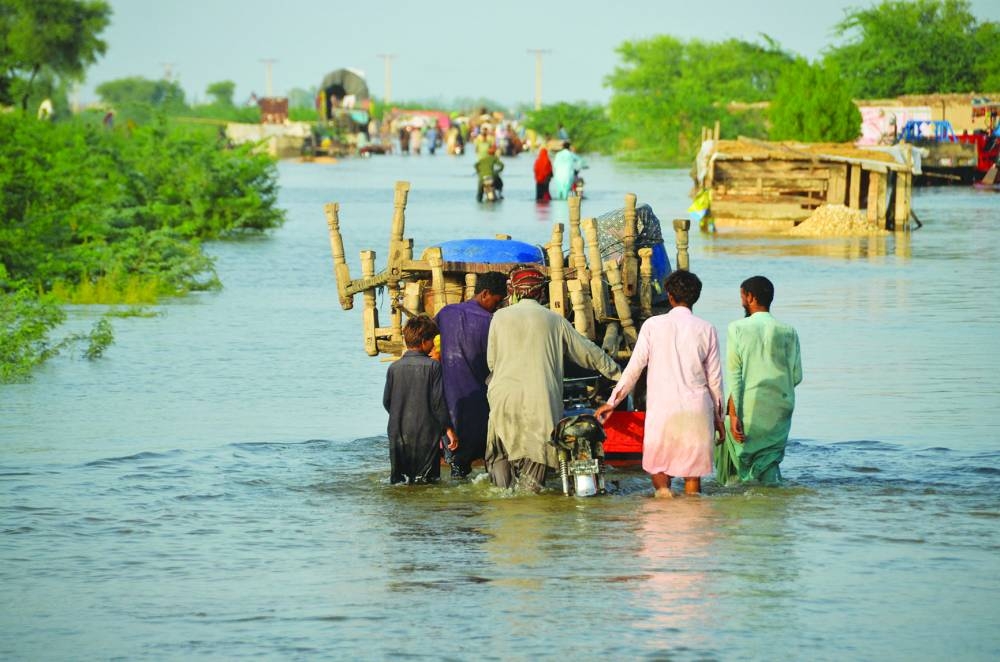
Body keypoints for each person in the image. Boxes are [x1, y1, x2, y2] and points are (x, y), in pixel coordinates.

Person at [485, 266, 622, 492]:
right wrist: (619, 374)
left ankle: (502, 498)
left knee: (501, 454)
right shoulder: (554, 320)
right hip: (540, 400)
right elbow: (589, 352)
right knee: (536, 459)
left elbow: (492, 362)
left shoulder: (499, 317)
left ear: (515, 292)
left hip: (503, 396)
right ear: (541, 293)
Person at [595, 271, 725, 497]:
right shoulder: (707, 329)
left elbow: (634, 369)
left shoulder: (653, 326)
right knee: (692, 479)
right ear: (696, 297)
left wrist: (612, 402)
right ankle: (694, 525)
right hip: (696, 409)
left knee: (659, 469)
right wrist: (719, 419)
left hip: (663, 410)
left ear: (669, 296)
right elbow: (715, 381)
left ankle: (662, 514)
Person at [716, 276, 803, 486]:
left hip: (749, 406)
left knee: (734, 458)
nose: (741, 302)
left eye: (742, 297)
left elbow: (735, 375)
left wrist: (734, 413)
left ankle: (741, 502)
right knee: (770, 462)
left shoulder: (737, 328)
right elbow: (797, 376)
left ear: (750, 297)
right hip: (781, 407)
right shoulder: (789, 331)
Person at [435, 272, 507, 478]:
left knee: (458, 466)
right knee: (490, 460)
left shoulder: (446, 313)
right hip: (480, 401)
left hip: (450, 403)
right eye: (497, 301)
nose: (498, 306)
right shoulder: (491, 322)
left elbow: (429, 339)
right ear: (485, 294)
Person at [383, 315, 459, 484]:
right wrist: (449, 430)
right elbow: (438, 403)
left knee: (400, 483)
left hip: (398, 433)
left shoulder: (393, 368)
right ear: (424, 341)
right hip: (426, 434)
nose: (433, 345)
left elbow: (387, 402)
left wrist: (401, 416)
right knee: (427, 483)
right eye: (432, 340)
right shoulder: (433, 367)